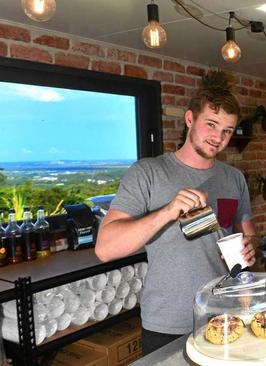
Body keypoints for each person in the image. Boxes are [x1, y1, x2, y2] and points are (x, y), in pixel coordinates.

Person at [95, 71, 257, 355]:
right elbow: (105, 249)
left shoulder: (234, 178)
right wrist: (168, 211)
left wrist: (251, 247)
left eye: (227, 130)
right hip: (168, 323)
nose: (218, 137)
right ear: (190, 119)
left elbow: (249, 236)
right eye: (211, 124)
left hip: (227, 317)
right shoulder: (147, 173)